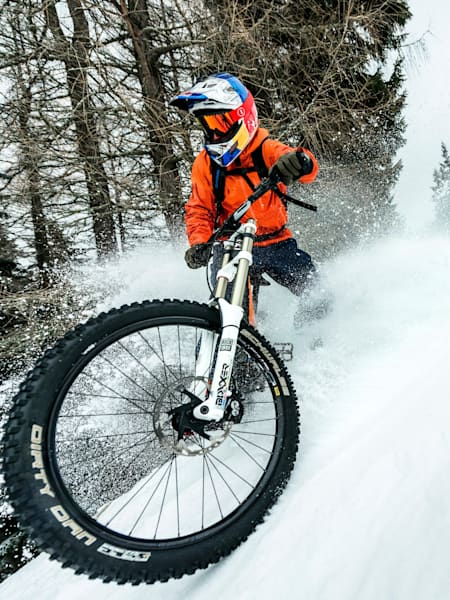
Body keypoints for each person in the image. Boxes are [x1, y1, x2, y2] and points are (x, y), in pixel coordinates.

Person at [169, 72, 320, 309]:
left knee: (317, 291)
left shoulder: (265, 149)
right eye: (209, 124)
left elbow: (299, 162)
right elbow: (199, 208)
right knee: (227, 309)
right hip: (230, 245)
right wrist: (199, 242)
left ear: (243, 118)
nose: (216, 132)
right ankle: (232, 341)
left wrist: (300, 162)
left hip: (276, 242)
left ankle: (317, 338)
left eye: (221, 122)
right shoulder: (206, 164)